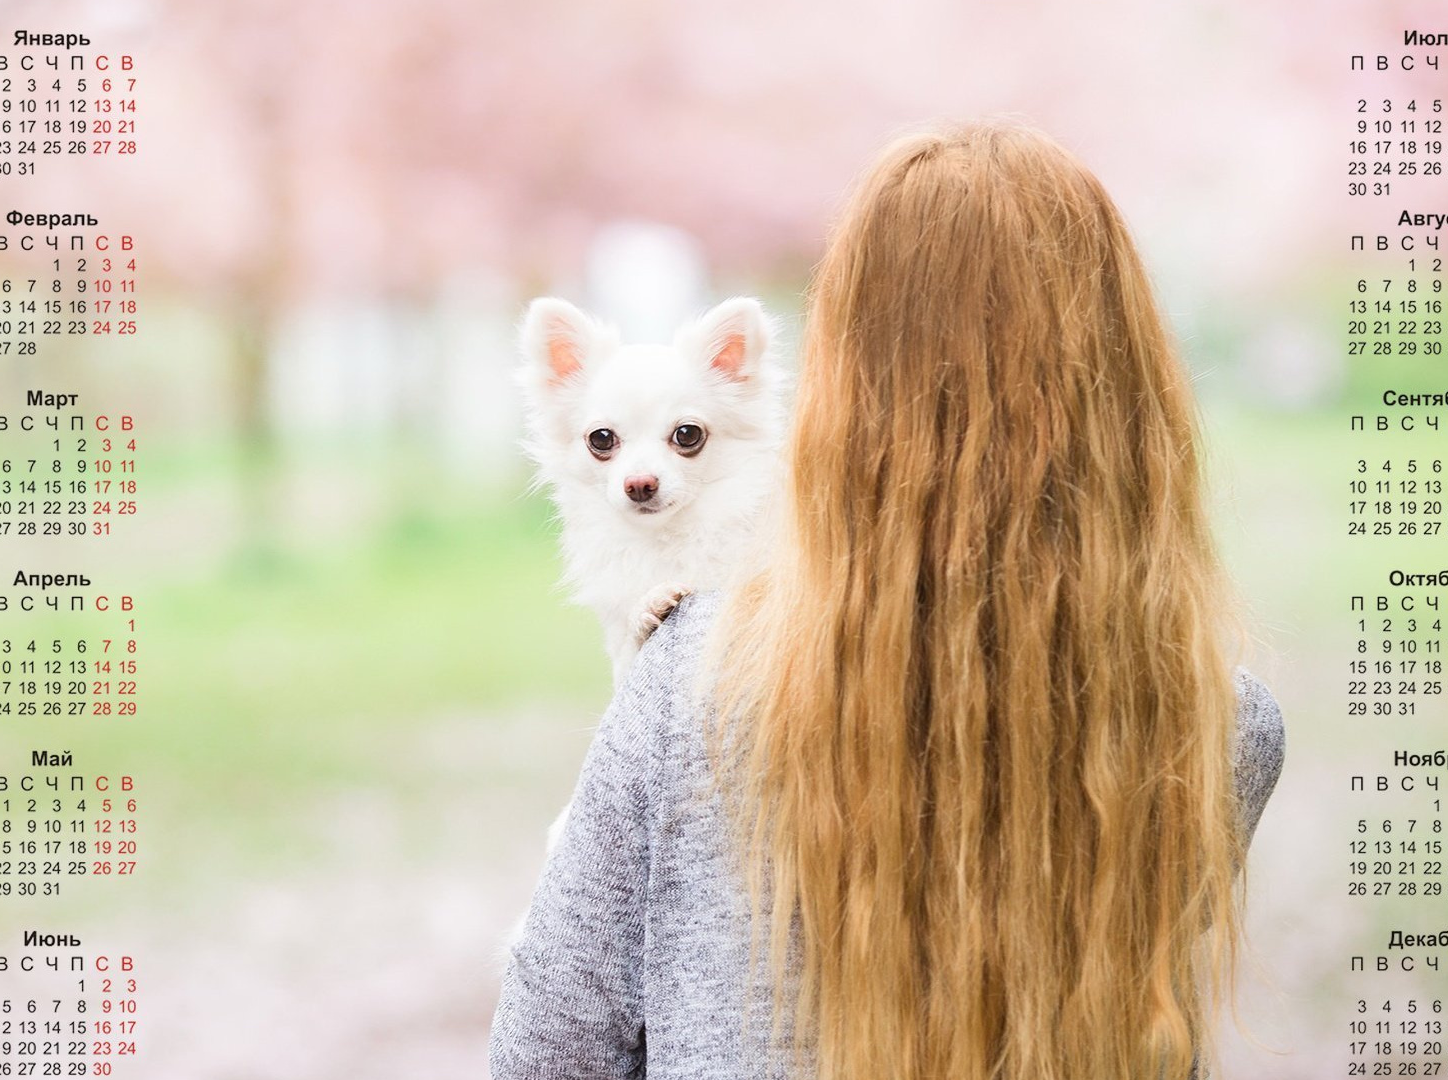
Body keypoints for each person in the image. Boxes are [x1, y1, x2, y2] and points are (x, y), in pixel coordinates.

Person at [490, 119, 1285, 1080]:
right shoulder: (1221, 724)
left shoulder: (691, 679)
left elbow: (549, 1047)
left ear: (841, 388)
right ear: (1131, 395)